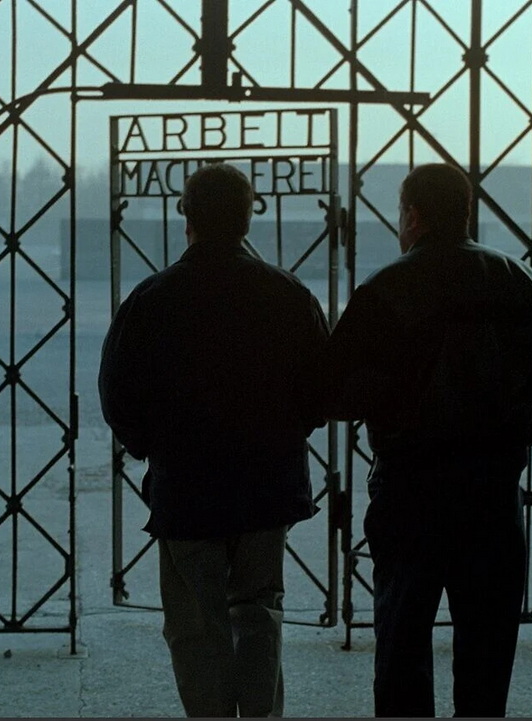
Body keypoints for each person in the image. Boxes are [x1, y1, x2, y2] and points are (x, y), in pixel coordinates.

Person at [319, 163, 532, 717]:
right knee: (487, 648)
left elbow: (334, 393)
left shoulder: (386, 287)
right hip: (494, 492)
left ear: (413, 215)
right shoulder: (519, 282)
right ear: (465, 211)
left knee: (402, 639)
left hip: (410, 491)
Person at [99, 162, 329, 717]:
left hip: (188, 486)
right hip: (268, 483)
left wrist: (150, 446)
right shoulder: (288, 294)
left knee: (196, 627)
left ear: (188, 219)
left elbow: (118, 394)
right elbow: (322, 391)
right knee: (260, 613)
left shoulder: (152, 299)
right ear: (248, 219)